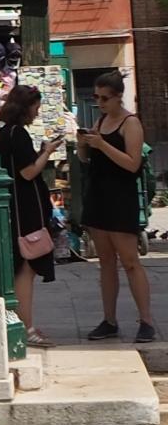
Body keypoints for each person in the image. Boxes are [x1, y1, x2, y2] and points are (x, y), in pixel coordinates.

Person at [79, 70, 154, 343]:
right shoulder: (100, 121)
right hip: (99, 197)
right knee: (106, 263)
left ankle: (146, 320)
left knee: (130, 261)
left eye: (105, 98)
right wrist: (84, 145)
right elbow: (87, 160)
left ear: (118, 97)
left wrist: (102, 145)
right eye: (96, 97)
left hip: (121, 198)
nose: (99, 103)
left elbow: (132, 163)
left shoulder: (130, 123)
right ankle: (109, 320)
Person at [0, 84, 65, 348]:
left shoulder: (5, 132)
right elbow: (28, 172)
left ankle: (23, 323)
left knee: (24, 264)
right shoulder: (18, 134)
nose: (37, 112)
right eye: (35, 107)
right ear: (26, 108)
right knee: (27, 265)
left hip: (18, 205)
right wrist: (47, 152)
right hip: (25, 208)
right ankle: (25, 326)